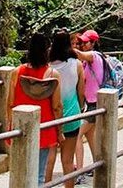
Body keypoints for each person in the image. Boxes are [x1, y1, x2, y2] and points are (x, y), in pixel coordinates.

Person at [7, 33, 64, 185]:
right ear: (47, 51)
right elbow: (57, 107)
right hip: (44, 129)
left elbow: (10, 103)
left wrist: (10, 127)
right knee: (39, 175)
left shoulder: (16, 72)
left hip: (20, 129)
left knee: (19, 173)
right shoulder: (53, 75)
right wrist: (60, 131)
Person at [47, 31, 85, 188]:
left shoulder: (48, 67)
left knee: (49, 160)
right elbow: (81, 91)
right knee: (68, 160)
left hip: (51, 118)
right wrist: (81, 106)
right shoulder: (76, 64)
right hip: (72, 117)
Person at [73, 29, 103, 179]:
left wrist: (64, 46)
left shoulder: (94, 56)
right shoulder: (87, 60)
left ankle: (79, 172)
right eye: (81, 42)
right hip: (91, 103)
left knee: (77, 135)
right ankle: (98, 165)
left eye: (85, 42)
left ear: (93, 43)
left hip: (96, 103)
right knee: (91, 135)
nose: (82, 45)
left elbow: (78, 54)